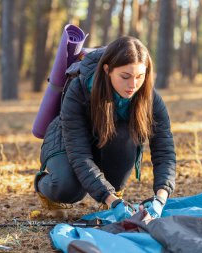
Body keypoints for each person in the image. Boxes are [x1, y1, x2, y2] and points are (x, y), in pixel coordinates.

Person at [34, 36, 176, 221]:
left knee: (125, 138)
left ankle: (111, 192)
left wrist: (160, 199)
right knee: (68, 188)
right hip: (66, 142)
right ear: (107, 70)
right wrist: (112, 201)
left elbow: (164, 150)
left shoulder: (149, 98)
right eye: (125, 76)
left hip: (111, 141)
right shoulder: (79, 89)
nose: (133, 85)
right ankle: (41, 186)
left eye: (140, 76)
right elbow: (80, 154)